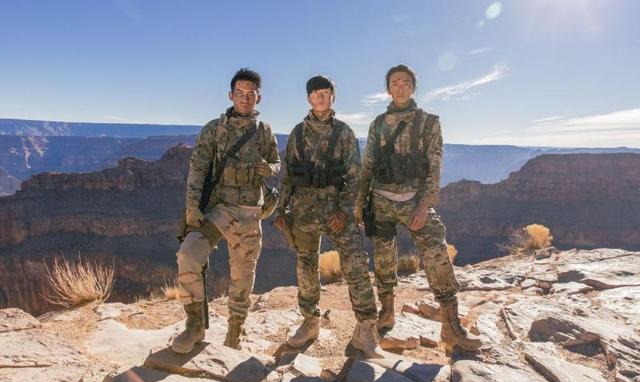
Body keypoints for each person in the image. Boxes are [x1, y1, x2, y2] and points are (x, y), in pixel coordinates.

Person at [355, 64, 483, 352]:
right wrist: (360, 203)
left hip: (415, 201)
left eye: (405, 82)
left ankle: (450, 325)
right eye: (394, 82)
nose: (400, 87)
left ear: (413, 86)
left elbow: (435, 168)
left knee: (436, 253)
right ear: (388, 88)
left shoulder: (429, 123)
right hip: (381, 201)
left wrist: (425, 205)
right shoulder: (377, 124)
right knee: (384, 258)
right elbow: (369, 166)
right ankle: (386, 312)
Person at [274, 75, 385, 358]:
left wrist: (345, 210)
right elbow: (287, 176)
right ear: (309, 98)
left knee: (355, 263)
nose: (320, 97)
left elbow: (355, 177)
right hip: (303, 212)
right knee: (306, 266)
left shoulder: (344, 134)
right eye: (315, 93)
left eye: (325, 93)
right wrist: (281, 210)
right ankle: (310, 322)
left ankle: (366, 327)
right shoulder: (298, 133)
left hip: (337, 213)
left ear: (333, 97)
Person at [171, 68, 280, 353]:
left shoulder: (265, 131)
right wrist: (191, 206)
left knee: (243, 276)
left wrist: (270, 168)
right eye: (240, 93)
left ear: (259, 97)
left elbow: (276, 162)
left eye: (251, 94)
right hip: (220, 211)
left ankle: (235, 331)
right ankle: (194, 326)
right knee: (188, 254)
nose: (245, 98)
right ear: (231, 95)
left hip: (251, 212)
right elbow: (198, 167)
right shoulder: (214, 129)